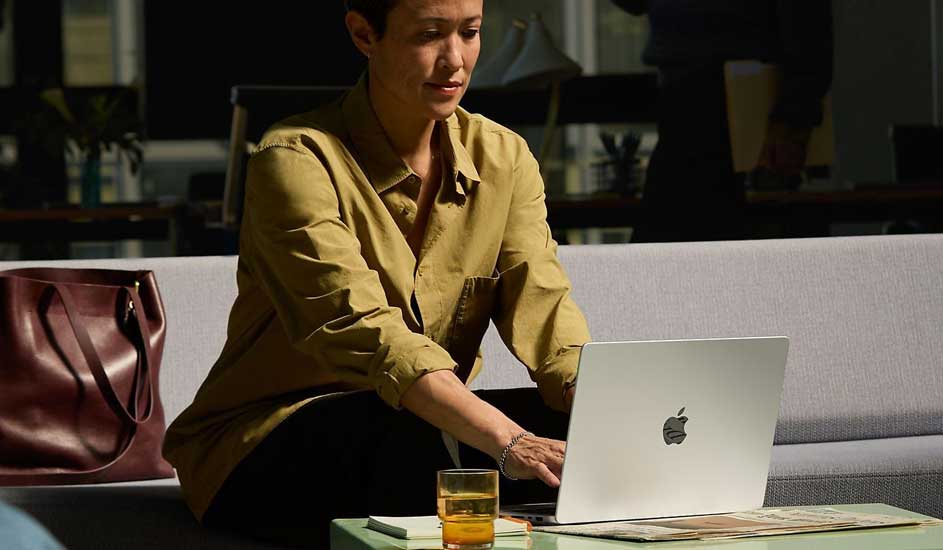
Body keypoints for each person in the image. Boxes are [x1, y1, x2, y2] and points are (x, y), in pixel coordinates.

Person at [162, 0, 591, 547]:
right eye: (430, 35)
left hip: (423, 428)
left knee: (577, 435)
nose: (454, 61)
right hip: (266, 438)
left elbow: (546, 307)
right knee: (415, 437)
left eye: (471, 32)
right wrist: (508, 442)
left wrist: (604, 415)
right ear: (365, 34)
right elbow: (369, 332)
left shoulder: (504, 158)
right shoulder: (294, 160)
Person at [612, 0, 833, 242]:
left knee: (703, 244)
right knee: (666, 247)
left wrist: (793, 120)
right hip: (681, 99)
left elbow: (809, 30)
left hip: (743, 103)